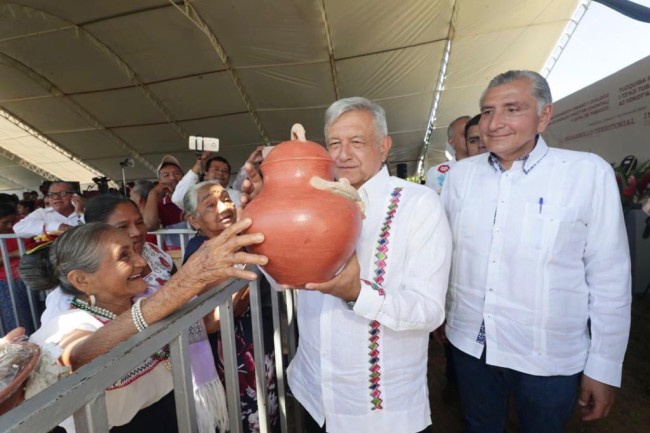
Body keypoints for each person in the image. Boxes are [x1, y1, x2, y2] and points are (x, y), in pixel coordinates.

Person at [244, 97, 451, 432]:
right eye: (334, 144)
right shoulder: (308, 204)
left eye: (357, 142)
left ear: (384, 147)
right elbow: (280, 278)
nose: (342, 155)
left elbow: (429, 311)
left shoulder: (418, 205)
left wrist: (357, 293)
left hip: (378, 412)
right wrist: (265, 220)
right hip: (314, 396)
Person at [440, 70, 632, 433]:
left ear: (544, 116)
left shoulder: (586, 173)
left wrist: (604, 367)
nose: (493, 123)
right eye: (487, 111)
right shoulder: (461, 177)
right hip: (471, 345)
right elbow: (447, 255)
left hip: (547, 358)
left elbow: (610, 277)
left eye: (512, 109)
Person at [20, 220, 267, 433]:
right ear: (82, 279)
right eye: (123, 255)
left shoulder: (142, 302)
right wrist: (185, 281)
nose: (140, 261)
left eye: (134, 250)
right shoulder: (66, 322)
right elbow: (75, 358)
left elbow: (205, 320)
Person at [182, 180, 279, 433]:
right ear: (194, 221)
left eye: (225, 199)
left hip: (254, 345)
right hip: (233, 356)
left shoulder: (234, 241)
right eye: (210, 205)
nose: (223, 207)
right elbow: (213, 319)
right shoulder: (201, 252)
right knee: (247, 419)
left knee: (266, 414)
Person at [0, 204, 34, 334]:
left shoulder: (21, 226)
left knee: (35, 317)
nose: (10, 226)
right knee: (17, 324)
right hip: (5, 284)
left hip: (28, 279)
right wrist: (12, 254)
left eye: (12, 221)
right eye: (5, 222)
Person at [142, 156, 186, 249]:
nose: (172, 178)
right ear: (160, 181)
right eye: (166, 175)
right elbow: (149, 226)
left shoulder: (195, 198)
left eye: (177, 173)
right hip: (175, 255)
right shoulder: (160, 205)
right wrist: (153, 193)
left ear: (184, 177)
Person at [13, 182, 84, 238]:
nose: (56, 197)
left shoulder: (87, 212)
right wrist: (57, 226)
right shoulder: (41, 213)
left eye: (62, 193)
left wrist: (80, 213)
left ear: (75, 196)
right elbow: (18, 227)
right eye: (51, 194)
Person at [172, 152, 242, 209]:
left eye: (225, 171)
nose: (220, 173)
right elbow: (178, 198)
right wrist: (198, 163)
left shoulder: (237, 196)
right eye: (216, 169)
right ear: (206, 174)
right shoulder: (196, 193)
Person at [425, 115, 471, 193]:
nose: (472, 136)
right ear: (451, 142)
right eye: (465, 133)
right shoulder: (436, 173)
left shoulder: (493, 166)